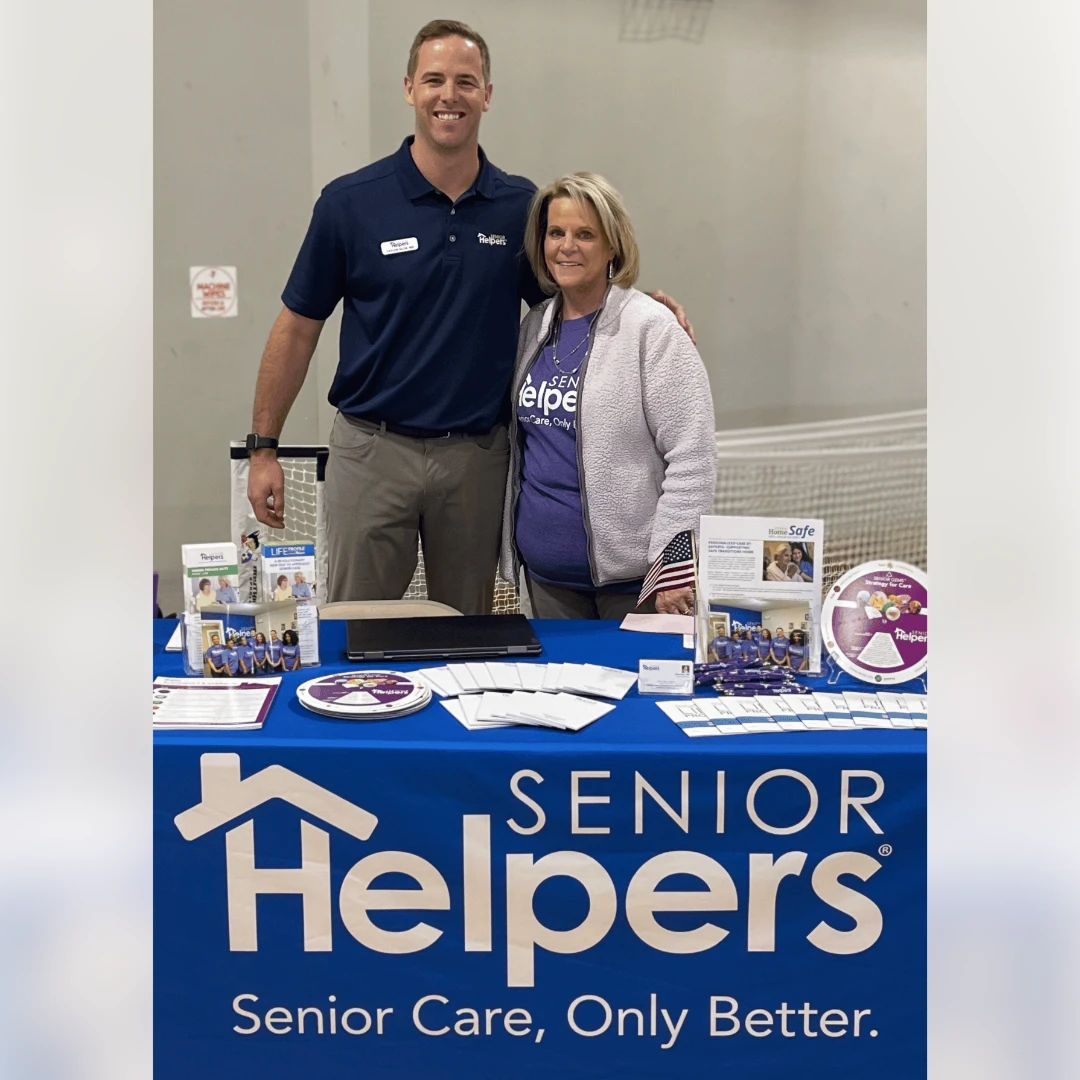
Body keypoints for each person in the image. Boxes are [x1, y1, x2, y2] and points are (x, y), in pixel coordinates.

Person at [245, 19, 692, 615]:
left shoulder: (519, 206)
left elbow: (571, 297)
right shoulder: (350, 203)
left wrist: (643, 312)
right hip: (372, 452)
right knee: (355, 630)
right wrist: (263, 448)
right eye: (434, 80)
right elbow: (297, 328)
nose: (448, 95)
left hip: (478, 461)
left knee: (467, 632)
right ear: (409, 88)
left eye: (465, 81)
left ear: (487, 94)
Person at [497, 173, 715, 620]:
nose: (567, 246)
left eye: (585, 235)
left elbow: (693, 458)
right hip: (547, 582)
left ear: (613, 245)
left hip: (636, 585)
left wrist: (672, 568)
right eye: (556, 233)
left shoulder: (652, 329)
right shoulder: (534, 327)